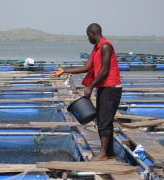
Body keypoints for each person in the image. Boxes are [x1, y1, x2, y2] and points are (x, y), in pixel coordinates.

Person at [51, 23, 122, 161]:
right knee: (103, 119)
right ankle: (109, 153)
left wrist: (90, 87)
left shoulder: (105, 46)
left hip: (111, 88)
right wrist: (64, 70)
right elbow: (86, 67)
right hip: (104, 88)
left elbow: (104, 70)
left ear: (93, 33)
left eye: (88, 34)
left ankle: (102, 154)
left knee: (104, 121)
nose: (87, 37)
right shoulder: (96, 49)